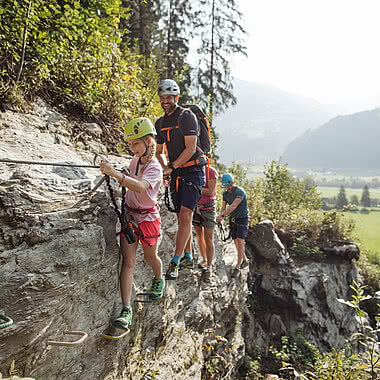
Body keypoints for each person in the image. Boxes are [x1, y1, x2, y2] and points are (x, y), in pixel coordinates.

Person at [100, 117, 164, 330]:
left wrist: (115, 174)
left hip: (147, 218)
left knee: (150, 256)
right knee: (128, 262)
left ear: (148, 141)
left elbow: (140, 187)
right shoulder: (135, 161)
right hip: (131, 216)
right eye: (130, 144)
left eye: (135, 144)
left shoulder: (155, 167)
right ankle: (126, 310)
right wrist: (120, 173)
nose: (132, 148)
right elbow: (131, 178)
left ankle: (159, 278)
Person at [155, 79, 205, 280]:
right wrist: (164, 167)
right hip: (176, 173)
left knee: (185, 215)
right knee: (181, 217)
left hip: (193, 171)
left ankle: (175, 262)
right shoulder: (160, 123)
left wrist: (172, 166)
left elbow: (191, 148)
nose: (166, 101)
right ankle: (188, 256)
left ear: (176, 97)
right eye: (163, 97)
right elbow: (158, 151)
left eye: (169, 97)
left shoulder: (186, 117)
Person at [182, 165, 218, 283]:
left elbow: (210, 191)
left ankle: (209, 266)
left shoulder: (211, 172)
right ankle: (204, 259)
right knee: (199, 234)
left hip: (208, 208)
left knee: (208, 237)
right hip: (196, 207)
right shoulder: (192, 171)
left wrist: (193, 187)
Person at [216, 173, 249, 278]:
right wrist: (221, 216)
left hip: (242, 219)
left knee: (240, 240)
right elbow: (223, 206)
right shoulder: (225, 194)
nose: (228, 188)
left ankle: (238, 266)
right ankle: (244, 258)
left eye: (229, 185)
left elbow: (234, 205)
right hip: (233, 219)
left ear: (233, 183)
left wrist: (222, 214)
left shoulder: (240, 192)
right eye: (226, 186)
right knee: (235, 240)